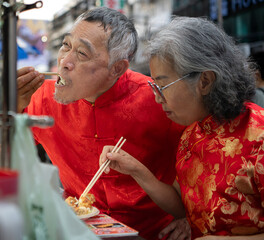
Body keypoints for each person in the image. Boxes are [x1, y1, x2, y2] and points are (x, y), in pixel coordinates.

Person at [16, 7, 186, 240]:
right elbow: (3, 154)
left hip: (151, 233)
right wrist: (11, 107)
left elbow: (203, 161)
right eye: (66, 45)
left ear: (116, 68)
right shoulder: (40, 98)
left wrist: (191, 216)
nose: (64, 62)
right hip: (76, 230)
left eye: (82, 54)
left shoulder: (158, 100)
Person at [100, 16, 264, 240]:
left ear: (205, 81)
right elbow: (182, 205)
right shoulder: (191, 135)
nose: (157, 98)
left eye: (162, 85)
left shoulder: (259, 135)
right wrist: (136, 170)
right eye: (153, 86)